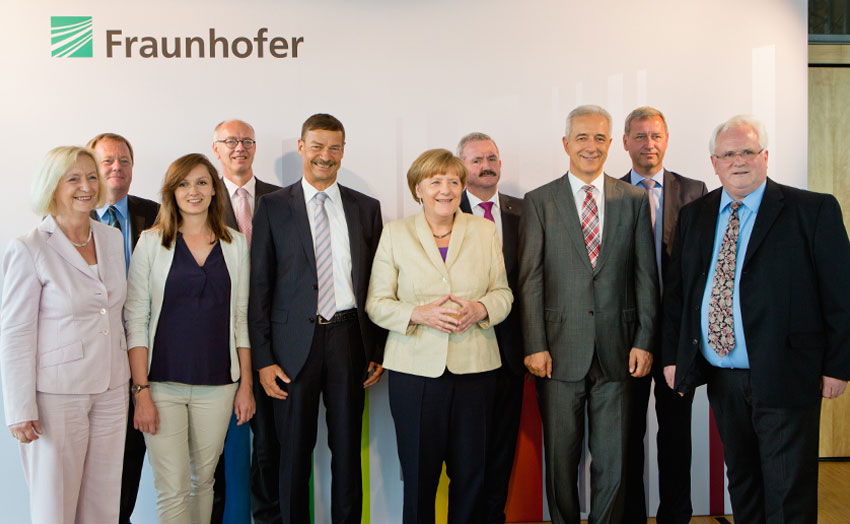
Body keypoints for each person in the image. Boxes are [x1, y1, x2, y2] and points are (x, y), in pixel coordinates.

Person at [663, 115, 850, 524]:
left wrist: (838, 365)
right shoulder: (696, 215)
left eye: (748, 151)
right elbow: (679, 294)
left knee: (788, 491)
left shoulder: (811, 210)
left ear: (765, 156)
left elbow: (840, 293)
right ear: (714, 162)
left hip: (787, 372)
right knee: (743, 484)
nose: (739, 161)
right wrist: (674, 356)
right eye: (728, 154)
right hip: (723, 378)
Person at [519, 105, 658, 524]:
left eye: (599, 138)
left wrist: (644, 340)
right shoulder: (540, 201)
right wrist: (535, 345)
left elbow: (645, 276)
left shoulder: (633, 199)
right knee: (560, 460)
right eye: (581, 137)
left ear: (611, 144)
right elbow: (530, 279)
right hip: (557, 355)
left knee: (613, 462)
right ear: (565, 144)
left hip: (619, 351)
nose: (591, 146)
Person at [249, 113, 385, 524]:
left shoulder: (366, 208)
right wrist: (263, 359)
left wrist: (377, 347)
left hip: (349, 342)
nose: (325, 156)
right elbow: (259, 288)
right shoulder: (272, 207)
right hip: (291, 351)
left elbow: (377, 284)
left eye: (334, 148)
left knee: (347, 452)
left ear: (343, 151)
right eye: (318, 146)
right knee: (292, 454)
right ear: (301, 146)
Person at [366, 148, 513, 523]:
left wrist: (481, 310)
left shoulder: (484, 230)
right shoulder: (396, 233)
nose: (445, 190)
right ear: (418, 188)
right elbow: (377, 303)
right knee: (419, 475)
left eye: (452, 181)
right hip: (414, 374)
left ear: (462, 186)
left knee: (470, 476)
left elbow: (503, 294)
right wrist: (419, 313)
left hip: (476, 371)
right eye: (435, 181)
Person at [0, 146, 130, 523]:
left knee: (103, 504)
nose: (86, 186)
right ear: (52, 186)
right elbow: (16, 333)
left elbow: (116, 310)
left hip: (111, 387)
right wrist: (20, 408)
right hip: (56, 395)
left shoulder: (109, 238)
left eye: (91, 176)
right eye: (73, 178)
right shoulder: (29, 247)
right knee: (54, 505)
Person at [124, 153, 255, 523]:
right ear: (171, 192)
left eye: (201, 182)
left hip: (218, 386)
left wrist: (245, 385)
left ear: (215, 189)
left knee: (204, 482)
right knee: (173, 488)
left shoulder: (234, 244)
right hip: (161, 385)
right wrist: (141, 391)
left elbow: (241, 320)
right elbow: (136, 320)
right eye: (183, 183)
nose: (193, 191)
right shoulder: (151, 243)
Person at [618, 107, 706, 524]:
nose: (648, 144)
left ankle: (676, 516)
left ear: (666, 140)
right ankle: (631, 516)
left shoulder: (696, 190)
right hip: (625, 336)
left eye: (655, 136)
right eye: (639, 136)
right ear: (625, 142)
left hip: (676, 337)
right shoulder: (608, 191)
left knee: (675, 435)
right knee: (626, 435)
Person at [86, 132, 159, 524]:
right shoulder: (72, 221)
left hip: (147, 357)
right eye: (108, 161)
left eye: (124, 161)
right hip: (92, 364)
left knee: (132, 460)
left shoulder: (158, 213)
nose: (117, 168)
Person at [211, 119, 281, 524]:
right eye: (230, 141)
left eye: (246, 141)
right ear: (216, 148)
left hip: (272, 339)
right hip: (219, 341)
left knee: (270, 446)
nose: (239, 147)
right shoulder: (198, 196)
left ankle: (268, 517)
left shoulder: (281, 198)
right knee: (217, 451)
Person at [457, 132, 525, 524]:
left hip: (513, 352)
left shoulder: (524, 210)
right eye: (476, 160)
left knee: (502, 446)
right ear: (460, 166)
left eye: (492, 158)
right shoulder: (447, 209)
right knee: (467, 448)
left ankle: (493, 516)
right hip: (466, 349)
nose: (486, 166)